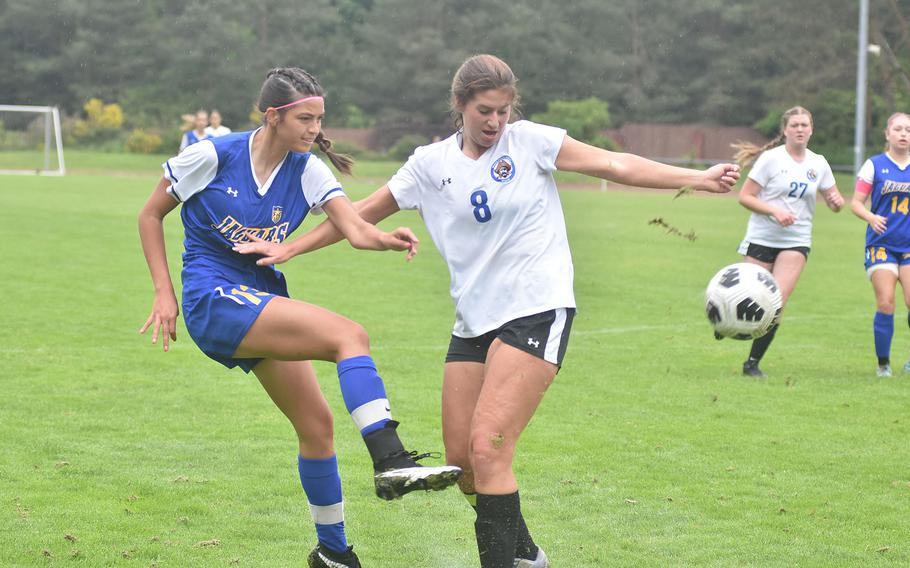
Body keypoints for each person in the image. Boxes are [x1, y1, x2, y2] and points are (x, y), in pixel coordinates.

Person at [233, 54, 739, 568]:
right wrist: (290, 248)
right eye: (484, 111)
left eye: (503, 110)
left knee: (490, 447)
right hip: (474, 322)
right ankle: (528, 556)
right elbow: (356, 215)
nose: (496, 122)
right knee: (464, 463)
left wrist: (696, 178)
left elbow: (615, 163)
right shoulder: (429, 164)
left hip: (538, 307)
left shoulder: (532, 141)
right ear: (460, 106)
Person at [138, 67, 461, 568]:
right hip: (213, 296)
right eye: (305, 119)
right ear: (273, 116)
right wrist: (164, 294)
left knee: (317, 427)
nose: (315, 129)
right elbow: (149, 214)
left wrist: (388, 237)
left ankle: (333, 554)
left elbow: (354, 229)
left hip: (261, 296)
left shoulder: (307, 169)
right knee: (349, 335)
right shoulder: (212, 155)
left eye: (319, 119)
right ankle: (390, 458)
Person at [731, 106, 844, 378]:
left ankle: (752, 363)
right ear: (785, 130)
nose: (800, 129)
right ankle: (728, 323)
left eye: (805, 124)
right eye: (794, 125)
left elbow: (834, 199)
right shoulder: (771, 159)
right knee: (751, 297)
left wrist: (836, 202)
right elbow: (745, 197)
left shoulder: (819, 163)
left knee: (775, 302)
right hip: (762, 237)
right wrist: (774, 211)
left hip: (797, 240)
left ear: (811, 129)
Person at [850, 111, 910, 377]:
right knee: (886, 302)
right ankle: (883, 364)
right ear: (887, 134)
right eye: (898, 129)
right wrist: (871, 217)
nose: (903, 134)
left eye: (908, 130)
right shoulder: (874, 165)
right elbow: (856, 203)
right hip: (881, 245)